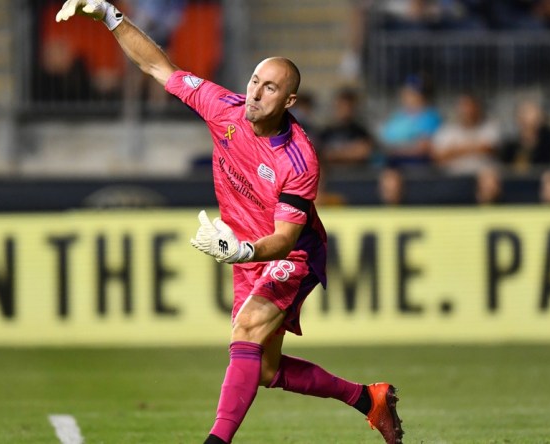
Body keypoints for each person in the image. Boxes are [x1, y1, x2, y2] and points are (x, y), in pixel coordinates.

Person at [55, 2, 404, 443]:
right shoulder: (224, 108)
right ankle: (366, 399)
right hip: (246, 252)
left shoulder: (299, 159)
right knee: (265, 369)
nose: (257, 93)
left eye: (271, 88)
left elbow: (285, 237)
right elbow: (158, 68)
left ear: (289, 100)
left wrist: (243, 251)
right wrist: (110, 15)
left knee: (245, 331)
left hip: (290, 253)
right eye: (256, 81)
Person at [379, 74, 442, 169]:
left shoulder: (431, 117)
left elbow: (423, 148)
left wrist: (398, 149)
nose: (407, 95)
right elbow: (385, 143)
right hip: (394, 163)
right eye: (406, 92)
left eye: (411, 92)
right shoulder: (397, 116)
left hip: (419, 165)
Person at [432, 93, 501, 176]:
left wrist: (454, 150)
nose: (468, 111)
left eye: (471, 106)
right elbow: (438, 157)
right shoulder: (446, 130)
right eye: (464, 107)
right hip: (453, 177)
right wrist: (474, 147)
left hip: (482, 175)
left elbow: (489, 148)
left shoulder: (490, 127)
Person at [319, 87, 375, 168]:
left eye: (348, 106)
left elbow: (364, 152)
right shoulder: (326, 132)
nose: (345, 110)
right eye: (341, 106)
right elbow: (321, 154)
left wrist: (335, 154)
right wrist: (351, 151)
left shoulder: (360, 131)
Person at [499, 99, 550, 173]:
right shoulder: (510, 144)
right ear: (519, 119)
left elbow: (547, 160)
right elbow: (506, 164)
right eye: (526, 114)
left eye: (537, 116)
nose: (533, 119)